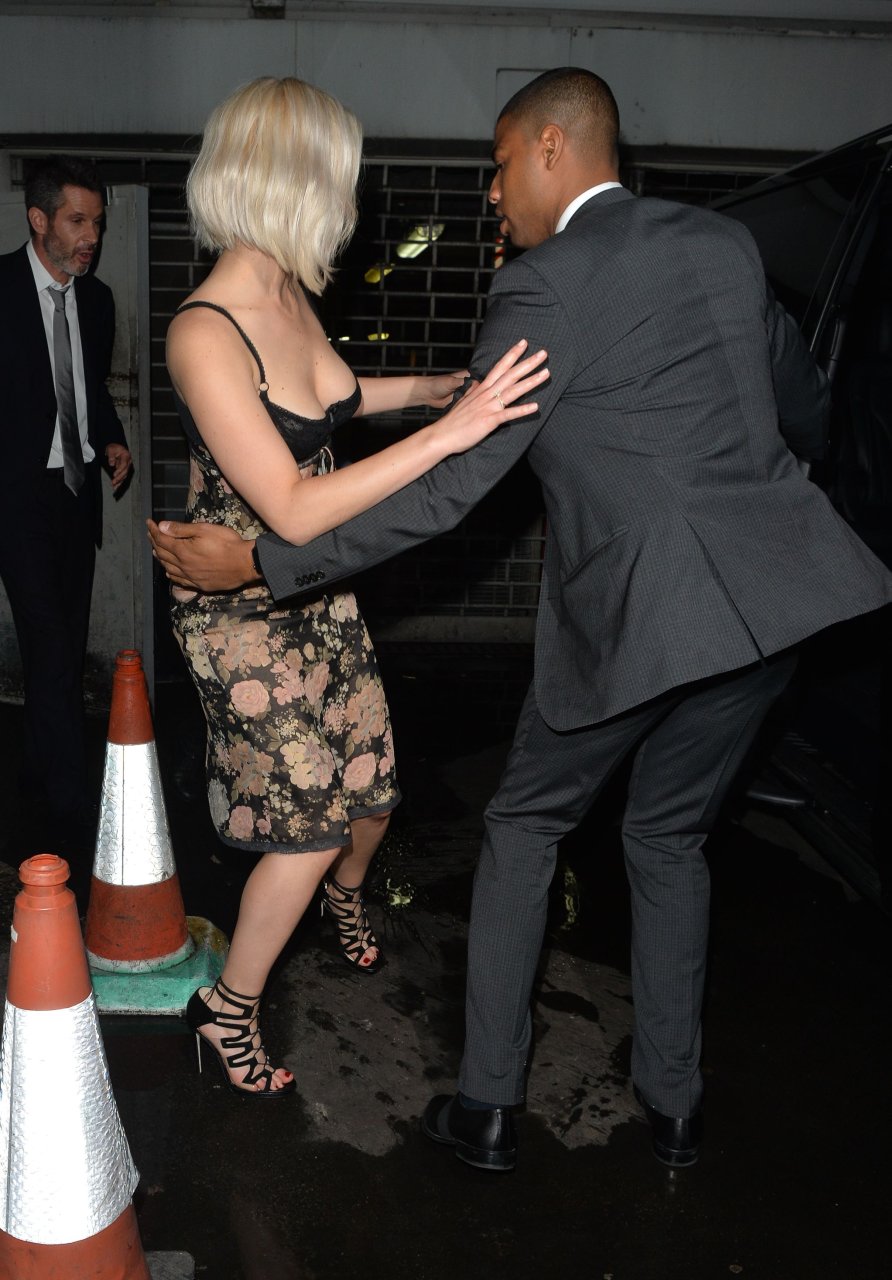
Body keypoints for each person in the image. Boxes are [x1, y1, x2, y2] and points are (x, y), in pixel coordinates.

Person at [150, 68, 892, 1153]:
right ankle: (674, 1104)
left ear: (550, 147)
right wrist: (764, 497)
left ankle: (489, 1105)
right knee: (669, 837)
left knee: (526, 823)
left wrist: (260, 560)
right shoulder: (723, 242)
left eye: (498, 165)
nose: (491, 194)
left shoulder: (544, 285)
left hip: (636, 618)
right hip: (776, 609)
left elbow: (448, 494)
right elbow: (807, 405)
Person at [158, 76, 548, 1097]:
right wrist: (450, 435)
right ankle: (226, 1012)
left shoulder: (289, 291)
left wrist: (425, 390)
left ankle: (344, 897)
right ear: (292, 180)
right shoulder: (205, 332)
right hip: (242, 613)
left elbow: (330, 396)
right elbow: (290, 505)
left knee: (372, 791)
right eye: (338, 178)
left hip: (320, 592)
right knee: (310, 826)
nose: (350, 199)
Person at [0, 156, 132, 858]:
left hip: (76, 498)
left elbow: (89, 388)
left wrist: (111, 439)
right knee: (52, 646)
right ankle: (73, 809)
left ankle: (33, 770)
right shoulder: (0, 289)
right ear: (39, 219)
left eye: (98, 224)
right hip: (15, 500)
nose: (92, 237)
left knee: (63, 645)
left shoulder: (97, 300)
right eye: (78, 221)